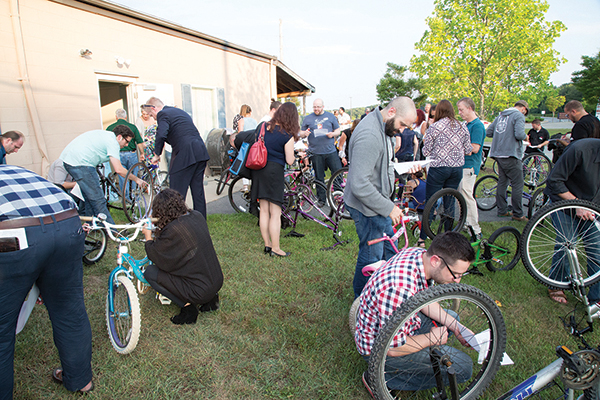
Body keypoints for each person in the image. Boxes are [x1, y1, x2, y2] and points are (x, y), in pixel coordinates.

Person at [0, 165, 93, 397]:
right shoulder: (16, 169)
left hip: (14, 236)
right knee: (70, 310)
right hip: (68, 224)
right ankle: (81, 381)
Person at [356, 232, 475, 395]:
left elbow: (424, 299)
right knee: (464, 368)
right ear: (436, 261)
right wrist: (431, 339)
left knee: (452, 320)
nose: (457, 280)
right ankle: (380, 377)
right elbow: (392, 347)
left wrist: (456, 327)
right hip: (380, 348)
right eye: (456, 274)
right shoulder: (399, 288)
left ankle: (418, 359)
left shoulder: (419, 255)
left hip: (399, 325)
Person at [344, 96, 417, 298]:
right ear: (392, 111)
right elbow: (359, 184)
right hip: (367, 207)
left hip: (378, 204)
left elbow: (382, 165)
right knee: (371, 258)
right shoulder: (370, 134)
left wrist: (406, 168)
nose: (402, 130)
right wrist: (389, 208)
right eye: (403, 124)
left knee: (390, 251)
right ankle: (362, 302)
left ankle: (387, 293)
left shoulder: (384, 127)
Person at [142, 189, 223, 324]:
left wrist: (148, 237)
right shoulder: (196, 215)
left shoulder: (173, 230)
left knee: (150, 273)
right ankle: (211, 300)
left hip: (199, 291)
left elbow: (155, 255)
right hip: (216, 281)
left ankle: (188, 308)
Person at [543, 138, 600, 304]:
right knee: (567, 244)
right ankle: (556, 285)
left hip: (593, 209)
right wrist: (577, 203)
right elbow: (554, 180)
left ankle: (596, 298)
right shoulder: (579, 149)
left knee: (597, 250)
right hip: (564, 203)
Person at [60, 125, 142, 225]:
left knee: (89, 198)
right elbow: (119, 169)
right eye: (126, 141)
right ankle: (112, 231)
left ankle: (92, 227)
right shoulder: (113, 142)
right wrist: (136, 179)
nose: (126, 145)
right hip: (81, 163)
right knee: (98, 199)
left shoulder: (106, 136)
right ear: (119, 137)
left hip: (71, 160)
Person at [144, 97, 211, 218]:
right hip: (200, 150)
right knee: (198, 191)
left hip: (186, 153)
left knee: (176, 191)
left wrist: (156, 154)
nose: (153, 118)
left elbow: (161, 134)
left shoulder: (163, 114)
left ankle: (175, 220)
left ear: (154, 108)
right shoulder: (179, 112)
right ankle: (201, 220)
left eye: (151, 115)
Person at [419, 100, 471, 247]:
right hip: (456, 168)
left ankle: (423, 238)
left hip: (439, 167)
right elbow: (468, 149)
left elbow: (425, 151)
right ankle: (449, 236)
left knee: (431, 201)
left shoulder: (434, 127)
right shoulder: (462, 126)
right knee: (450, 201)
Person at [252, 102, 298, 257]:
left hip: (259, 170)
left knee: (264, 210)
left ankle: (267, 245)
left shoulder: (264, 126)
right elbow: (290, 160)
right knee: (275, 213)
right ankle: (276, 249)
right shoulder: (287, 135)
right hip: (274, 172)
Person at [486, 100, 529, 222]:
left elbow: (489, 132)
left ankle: (502, 210)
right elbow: (520, 135)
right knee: (517, 184)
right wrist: (526, 136)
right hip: (511, 154)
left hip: (498, 154)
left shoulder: (500, 115)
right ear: (524, 109)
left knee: (502, 182)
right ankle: (518, 213)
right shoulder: (518, 115)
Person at [300, 98, 343, 206]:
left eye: (318, 107)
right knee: (319, 177)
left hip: (330, 151)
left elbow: (338, 130)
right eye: (314, 107)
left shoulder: (330, 116)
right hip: (316, 152)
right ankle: (321, 199)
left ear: (323, 107)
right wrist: (304, 133)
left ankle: (338, 196)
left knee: (337, 173)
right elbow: (301, 132)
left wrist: (332, 134)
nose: (316, 109)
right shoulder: (308, 118)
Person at [457, 97, 486, 239]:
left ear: (470, 108)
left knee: (467, 197)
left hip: (469, 166)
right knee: (461, 197)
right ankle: (465, 222)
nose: (460, 113)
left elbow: (474, 148)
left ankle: (475, 228)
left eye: (461, 110)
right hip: (462, 165)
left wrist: (456, 148)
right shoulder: (466, 125)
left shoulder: (477, 126)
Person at [106, 108, 145, 196]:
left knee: (122, 176)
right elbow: (139, 142)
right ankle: (134, 197)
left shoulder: (110, 128)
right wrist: (142, 153)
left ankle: (126, 198)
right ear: (126, 117)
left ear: (116, 117)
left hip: (117, 154)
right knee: (133, 174)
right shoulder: (132, 127)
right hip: (131, 154)